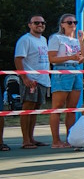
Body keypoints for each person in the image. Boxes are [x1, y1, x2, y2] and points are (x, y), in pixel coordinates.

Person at [46, 14, 84, 148]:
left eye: (74, 22)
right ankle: (56, 141)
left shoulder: (76, 40)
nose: (73, 25)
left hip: (76, 71)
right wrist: (71, 57)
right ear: (62, 24)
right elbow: (52, 59)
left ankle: (70, 138)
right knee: (57, 107)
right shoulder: (56, 38)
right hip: (62, 71)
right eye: (69, 22)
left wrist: (81, 41)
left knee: (72, 109)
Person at [14, 15, 51, 148]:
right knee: (28, 108)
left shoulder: (44, 40)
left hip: (42, 79)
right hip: (31, 79)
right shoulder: (25, 40)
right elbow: (18, 59)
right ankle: (26, 140)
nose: (40, 25)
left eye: (42, 23)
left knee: (35, 109)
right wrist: (25, 78)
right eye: (36, 23)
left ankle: (31, 138)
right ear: (30, 25)